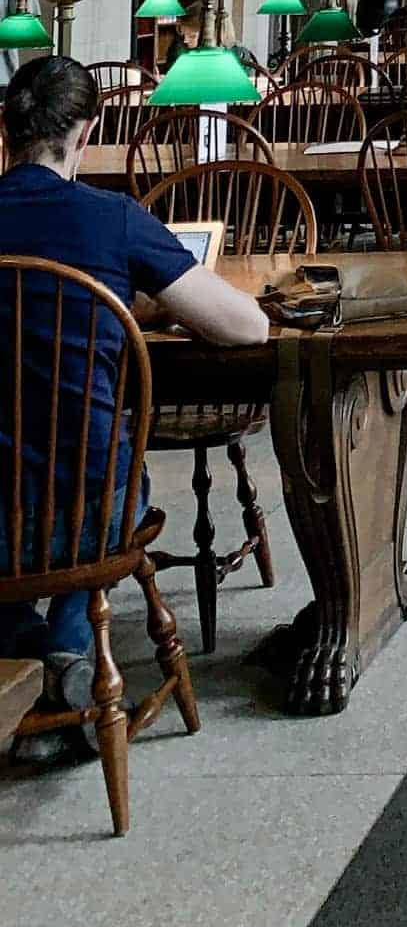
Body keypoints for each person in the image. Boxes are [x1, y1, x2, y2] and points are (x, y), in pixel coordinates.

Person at [0, 56, 269, 766]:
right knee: (112, 487)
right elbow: (246, 328)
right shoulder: (112, 221)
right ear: (85, 132)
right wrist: (127, 301)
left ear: (7, 132)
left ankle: (27, 660)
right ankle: (64, 653)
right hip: (87, 512)